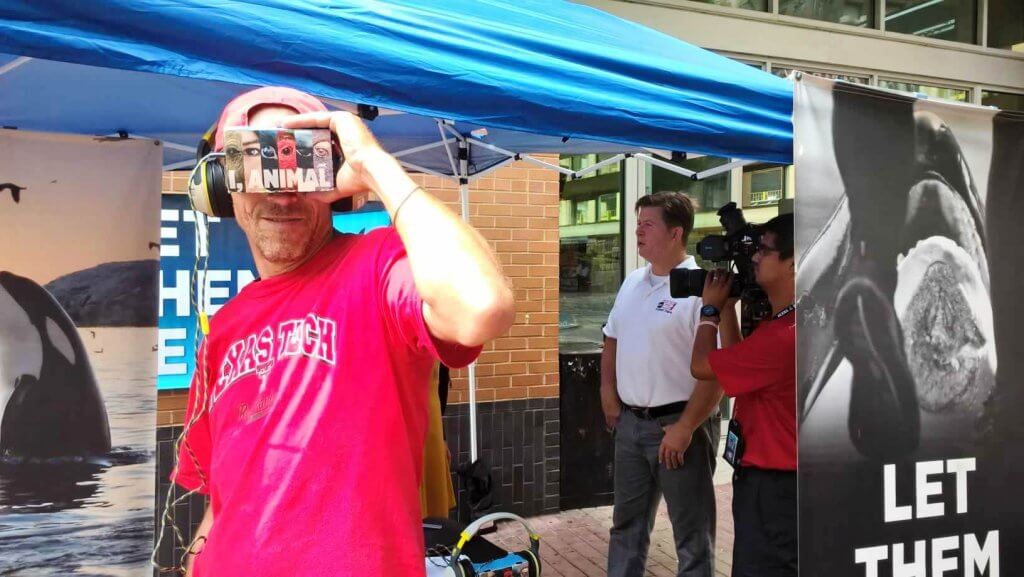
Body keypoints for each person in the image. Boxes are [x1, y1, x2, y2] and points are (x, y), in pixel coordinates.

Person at [170, 87, 515, 577]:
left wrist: (373, 162)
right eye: (257, 160)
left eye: (300, 161)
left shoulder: (378, 266)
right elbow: (222, 501)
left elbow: (482, 306)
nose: (281, 190)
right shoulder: (224, 329)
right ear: (222, 186)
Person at [601, 191, 721, 577]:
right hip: (630, 427)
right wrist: (608, 392)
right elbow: (612, 338)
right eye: (637, 223)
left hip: (678, 427)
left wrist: (686, 427)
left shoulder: (702, 288)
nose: (638, 231)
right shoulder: (633, 281)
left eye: (647, 224)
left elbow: (718, 369)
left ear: (676, 233)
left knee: (693, 537)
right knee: (626, 527)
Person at [687, 213, 796, 577]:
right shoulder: (794, 323)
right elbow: (739, 367)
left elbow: (702, 366)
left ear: (793, 264)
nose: (753, 257)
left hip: (774, 485)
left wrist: (709, 313)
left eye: (764, 250)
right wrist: (729, 309)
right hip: (779, 481)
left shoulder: (783, 337)